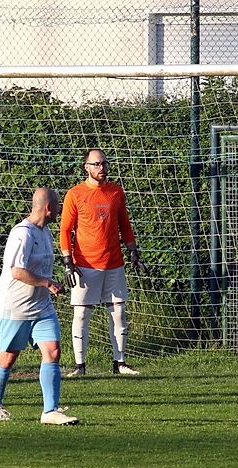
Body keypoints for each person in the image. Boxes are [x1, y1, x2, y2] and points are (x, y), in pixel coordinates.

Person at [0, 187, 79, 425]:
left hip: (41, 306)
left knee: (53, 350)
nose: (59, 210)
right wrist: (47, 282)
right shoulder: (22, 234)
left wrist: (48, 284)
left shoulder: (45, 232)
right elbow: (17, 272)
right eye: (57, 206)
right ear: (48, 208)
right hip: (15, 307)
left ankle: (50, 411)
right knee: (8, 357)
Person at [60, 148, 147, 377]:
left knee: (118, 312)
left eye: (104, 163)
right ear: (86, 167)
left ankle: (120, 363)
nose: (102, 168)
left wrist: (133, 251)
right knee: (81, 314)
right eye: (96, 164)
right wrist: (68, 261)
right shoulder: (75, 194)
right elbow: (65, 229)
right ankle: (80, 366)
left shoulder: (116, 192)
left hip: (114, 263)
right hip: (85, 265)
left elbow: (124, 224)